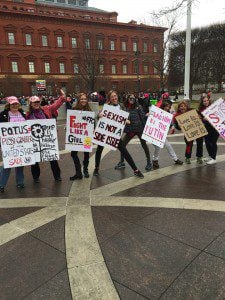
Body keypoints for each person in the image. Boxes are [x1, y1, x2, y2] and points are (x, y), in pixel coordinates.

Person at [93, 90, 144, 178]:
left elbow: (126, 118)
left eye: (115, 96)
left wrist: (127, 121)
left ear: (117, 96)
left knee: (124, 151)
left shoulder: (121, 106)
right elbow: (98, 115)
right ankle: (96, 168)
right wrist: (99, 115)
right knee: (99, 150)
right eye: (112, 97)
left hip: (115, 134)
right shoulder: (107, 106)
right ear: (109, 98)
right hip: (104, 132)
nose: (114, 98)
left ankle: (135, 170)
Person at [26, 89, 66, 182]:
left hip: (48, 139)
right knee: (35, 160)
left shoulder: (46, 109)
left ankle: (57, 176)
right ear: (31, 104)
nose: (36, 103)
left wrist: (62, 97)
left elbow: (56, 105)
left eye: (37, 102)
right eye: (34, 102)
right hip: (34, 140)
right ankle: (36, 177)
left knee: (52, 158)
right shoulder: (28, 114)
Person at [114, 93, 151, 171]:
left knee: (144, 145)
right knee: (122, 145)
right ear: (128, 99)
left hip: (139, 129)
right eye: (130, 98)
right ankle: (121, 162)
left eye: (133, 98)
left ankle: (149, 162)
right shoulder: (125, 107)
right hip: (130, 130)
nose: (132, 100)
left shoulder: (138, 107)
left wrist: (147, 115)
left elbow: (143, 116)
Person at [0, 96, 26, 192]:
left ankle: (20, 182)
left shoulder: (22, 113)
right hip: (9, 144)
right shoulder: (3, 115)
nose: (15, 105)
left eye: (16, 104)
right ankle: (1, 184)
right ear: (9, 105)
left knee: (20, 163)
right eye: (12, 104)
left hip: (22, 143)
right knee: (7, 165)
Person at [151, 100, 183, 169]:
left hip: (161, 133)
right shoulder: (157, 111)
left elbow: (171, 122)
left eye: (169, 107)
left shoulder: (168, 113)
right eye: (167, 106)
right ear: (164, 106)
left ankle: (175, 159)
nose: (168, 108)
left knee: (168, 146)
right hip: (154, 132)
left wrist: (172, 126)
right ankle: (155, 160)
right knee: (157, 147)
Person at [70, 93, 92, 180]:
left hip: (86, 135)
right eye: (81, 99)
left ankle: (85, 170)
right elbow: (71, 122)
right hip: (76, 135)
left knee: (86, 153)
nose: (83, 100)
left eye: (85, 99)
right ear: (78, 100)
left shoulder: (89, 111)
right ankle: (78, 172)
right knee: (73, 154)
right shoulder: (74, 110)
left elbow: (92, 123)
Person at [198, 96, 219, 165]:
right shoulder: (200, 109)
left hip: (215, 128)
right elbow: (200, 118)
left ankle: (213, 158)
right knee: (207, 142)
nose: (206, 102)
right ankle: (210, 156)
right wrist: (203, 119)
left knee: (213, 142)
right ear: (202, 102)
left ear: (209, 100)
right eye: (204, 101)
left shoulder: (214, 107)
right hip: (206, 127)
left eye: (207, 100)